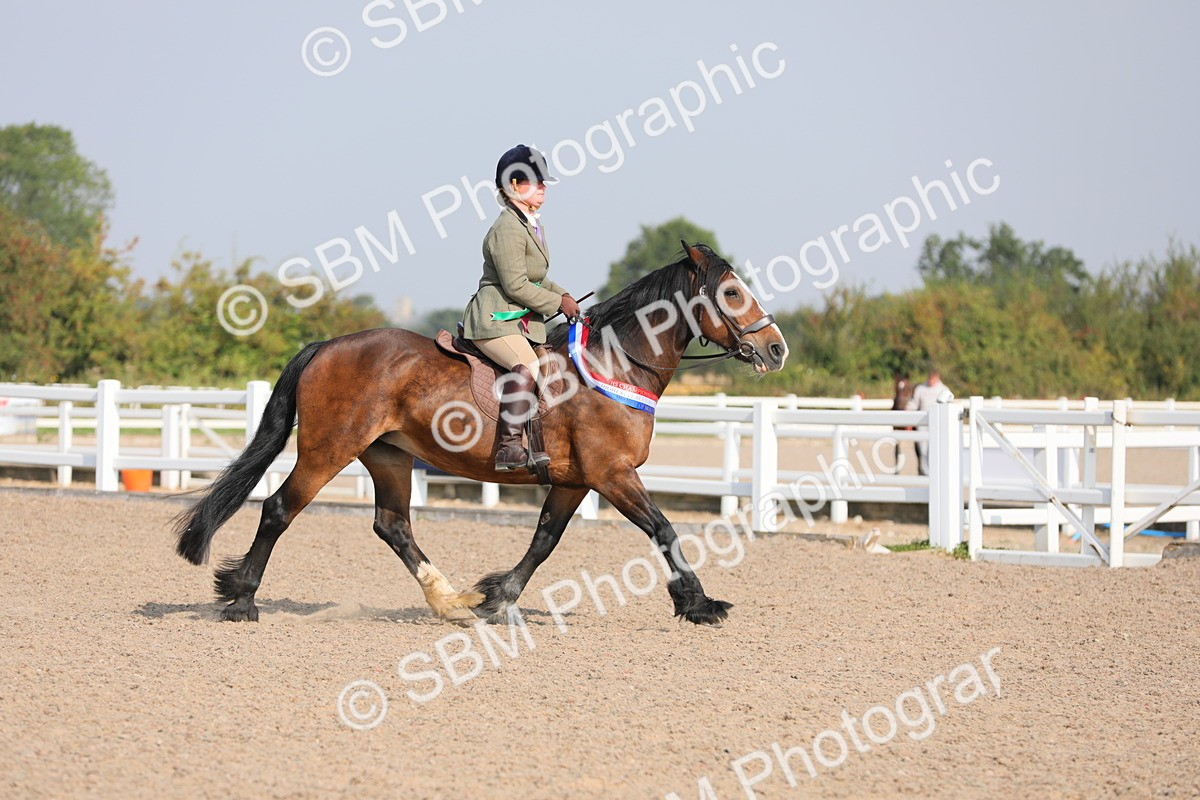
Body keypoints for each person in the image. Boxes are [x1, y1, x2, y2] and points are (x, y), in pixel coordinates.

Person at [462, 144, 580, 472]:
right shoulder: (508, 228)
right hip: (494, 319)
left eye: (544, 182)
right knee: (527, 363)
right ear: (514, 185)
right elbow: (515, 285)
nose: (543, 187)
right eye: (535, 181)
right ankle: (509, 446)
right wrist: (556, 302)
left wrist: (565, 295)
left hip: (518, 320)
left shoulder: (530, 224)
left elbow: (537, 278)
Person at [906, 368, 953, 476]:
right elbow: (914, 403)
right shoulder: (921, 389)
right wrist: (908, 410)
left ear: (937, 378)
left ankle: (934, 471)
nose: (931, 381)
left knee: (934, 449)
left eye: (933, 379)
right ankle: (925, 472)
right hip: (923, 423)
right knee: (922, 449)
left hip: (938, 424)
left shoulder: (944, 389)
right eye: (930, 379)